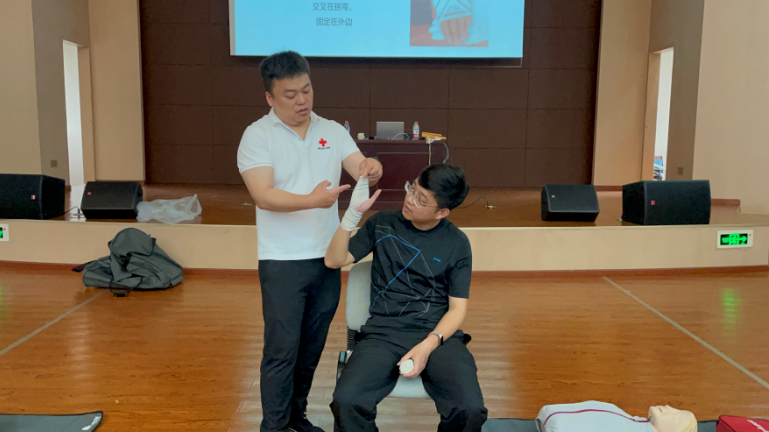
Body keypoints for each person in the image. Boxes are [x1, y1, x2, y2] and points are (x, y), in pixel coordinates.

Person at [237, 51, 383, 432]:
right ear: (269, 97)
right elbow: (263, 195)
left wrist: (372, 168)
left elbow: (360, 166)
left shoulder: (331, 130)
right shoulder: (257, 136)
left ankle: (295, 417)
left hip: (327, 260)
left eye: (306, 89)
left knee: (311, 348)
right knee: (281, 350)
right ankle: (274, 426)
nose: (302, 100)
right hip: (282, 261)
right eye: (290, 94)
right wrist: (312, 201)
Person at [325, 164, 487, 432]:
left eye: (421, 200)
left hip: (437, 336)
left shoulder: (457, 243)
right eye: (412, 189)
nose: (410, 200)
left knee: (469, 409)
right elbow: (333, 260)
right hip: (383, 334)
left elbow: (457, 310)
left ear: (442, 212)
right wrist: (352, 216)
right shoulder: (381, 224)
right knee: (347, 400)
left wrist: (428, 345)